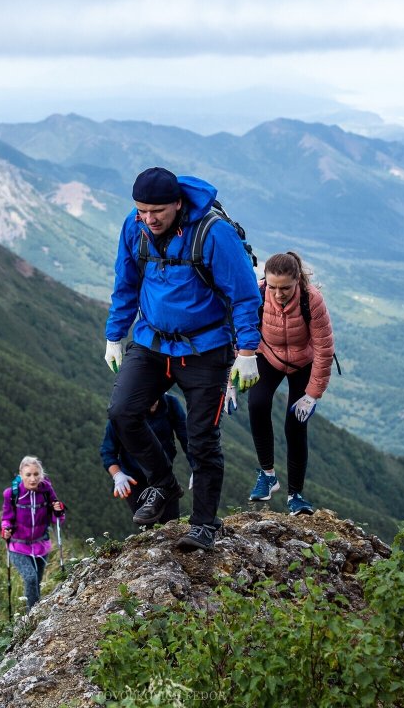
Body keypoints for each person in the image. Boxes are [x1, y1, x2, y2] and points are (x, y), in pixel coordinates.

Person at [105, 166, 262, 551]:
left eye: (156, 210)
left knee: (202, 439)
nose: (148, 218)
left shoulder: (213, 234)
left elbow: (244, 296)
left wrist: (247, 352)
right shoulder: (134, 227)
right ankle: (163, 483)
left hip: (206, 350)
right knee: (123, 411)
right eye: (141, 209)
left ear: (177, 203)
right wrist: (114, 335)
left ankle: (204, 524)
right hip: (151, 343)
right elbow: (125, 284)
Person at [247, 251, 336, 515]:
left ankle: (295, 494)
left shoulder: (312, 300)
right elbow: (242, 333)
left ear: (297, 281)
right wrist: (232, 379)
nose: (277, 294)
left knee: (295, 424)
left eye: (285, 288)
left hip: (303, 362)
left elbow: (324, 348)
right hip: (269, 355)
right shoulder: (259, 293)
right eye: (273, 287)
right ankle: (267, 475)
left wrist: (312, 394)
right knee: (257, 404)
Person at [100, 391, 194, 524]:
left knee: (171, 523)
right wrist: (118, 475)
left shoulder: (170, 404)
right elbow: (107, 450)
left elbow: (186, 437)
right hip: (134, 480)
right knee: (146, 525)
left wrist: (196, 465)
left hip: (164, 477)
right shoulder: (124, 411)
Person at [0, 455, 66, 611]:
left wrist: (59, 511)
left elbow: (56, 519)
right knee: (30, 578)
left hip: (41, 545)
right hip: (18, 546)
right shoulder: (12, 494)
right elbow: (6, 518)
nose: (33, 478)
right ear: (21, 474)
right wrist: (5, 530)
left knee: (36, 581)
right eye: (28, 474)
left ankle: (34, 613)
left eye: (36, 474)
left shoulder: (46, 490)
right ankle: (32, 616)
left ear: (41, 475)